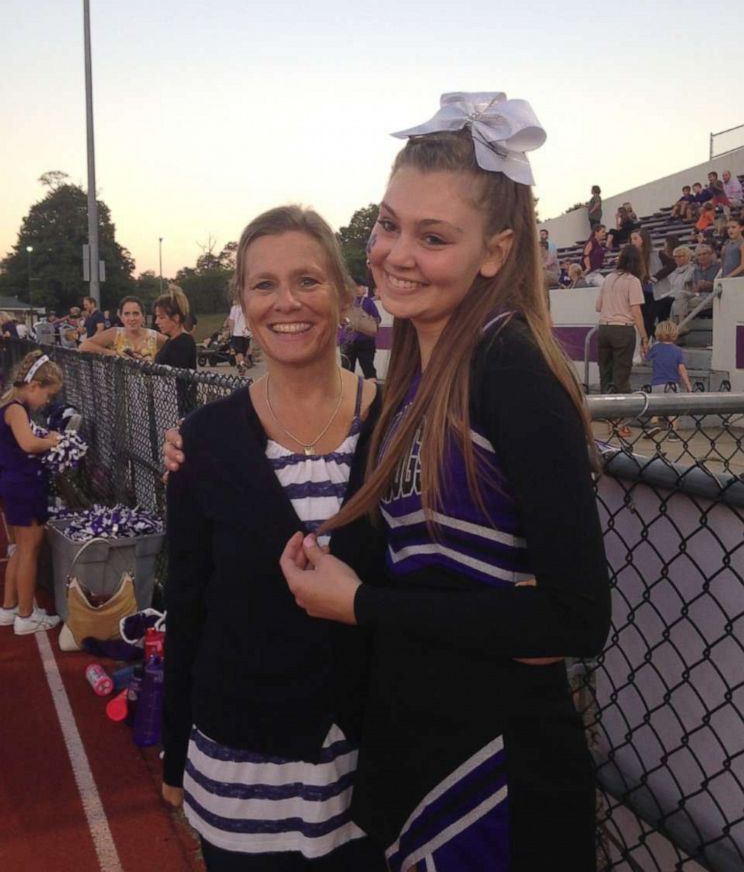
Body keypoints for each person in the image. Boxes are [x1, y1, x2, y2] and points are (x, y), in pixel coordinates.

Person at [279, 93, 611, 872]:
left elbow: (575, 618)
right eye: (389, 224)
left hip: (497, 777)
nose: (396, 253)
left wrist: (361, 605)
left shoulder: (512, 370)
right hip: (422, 738)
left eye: (433, 237)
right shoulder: (412, 373)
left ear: (495, 251)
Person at [161, 207, 385, 871]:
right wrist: (176, 752)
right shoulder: (201, 441)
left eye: (308, 281)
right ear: (242, 303)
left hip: (372, 771)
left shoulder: (404, 422)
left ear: (344, 295)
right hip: (242, 774)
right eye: (264, 285)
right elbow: (189, 605)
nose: (286, 302)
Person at [0, 351, 63, 635]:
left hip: (14, 484)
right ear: (34, 386)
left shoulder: (10, 405)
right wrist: (51, 441)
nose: (47, 402)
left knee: (18, 550)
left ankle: (9, 607)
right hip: (23, 485)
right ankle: (26, 615)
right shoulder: (16, 409)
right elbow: (27, 444)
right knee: (29, 549)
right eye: (48, 396)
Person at [595, 245, 647, 396]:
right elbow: (636, 311)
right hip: (623, 329)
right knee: (621, 374)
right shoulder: (633, 281)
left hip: (604, 328)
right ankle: (620, 412)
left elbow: (598, 306)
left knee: (605, 372)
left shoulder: (608, 278)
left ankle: (605, 408)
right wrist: (644, 337)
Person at [645, 321, 692, 438]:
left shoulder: (656, 348)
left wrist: (645, 349)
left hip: (656, 383)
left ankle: (655, 420)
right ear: (675, 334)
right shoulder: (677, 350)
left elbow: (646, 359)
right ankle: (673, 431)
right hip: (672, 384)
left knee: (656, 404)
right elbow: (681, 368)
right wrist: (688, 384)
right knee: (673, 410)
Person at [79, 296, 164, 360]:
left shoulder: (154, 336)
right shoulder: (115, 333)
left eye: (136, 313)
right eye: (127, 314)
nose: (132, 318)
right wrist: (114, 354)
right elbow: (84, 346)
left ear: (143, 316)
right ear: (121, 317)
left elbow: (174, 347)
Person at [339, 277, 381, 379]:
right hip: (349, 341)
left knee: (368, 369)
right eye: (355, 286)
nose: (358, 288)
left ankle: (373, 393)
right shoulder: (344, 302)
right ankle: (348, 393)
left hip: (364, 342)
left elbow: (377, 320)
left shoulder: (367, 302)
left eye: (360, 286)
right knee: (347, 371)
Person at [671, 244, 719, 323]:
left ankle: (678, 327)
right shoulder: (696, 269)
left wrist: (708, 284)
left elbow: (721, 285)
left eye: (704, 254)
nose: (702, 257)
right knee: (680, 296)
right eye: (699, 255)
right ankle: (678, 327)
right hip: (697, 295)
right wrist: (697, 287)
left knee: (676, 305)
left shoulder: (717, 266)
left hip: (710, 296)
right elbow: (694, 290)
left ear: (710, 255)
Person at [629, 228, 662, 339]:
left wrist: (656, 277)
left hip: (651, 292)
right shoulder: (633, 257)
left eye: (635, 238)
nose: (632, 241)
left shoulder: (654, 253)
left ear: (643, 239)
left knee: (648, 320)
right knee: (642, 320)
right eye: (631, 239)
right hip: (639, 292)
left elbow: (671, 265)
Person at [153, 285, 197, 368]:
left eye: (161, 317)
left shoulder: (182, 343)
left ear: (176, 318)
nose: (156, 322)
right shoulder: (171, 341)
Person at [654, 245, 694, 323]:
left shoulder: (692, 269)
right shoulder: (672, 271)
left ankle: (678, 325)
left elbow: (687, 284)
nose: (677, 258)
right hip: (671, 293)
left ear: (687, 256)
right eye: (675, 256)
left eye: (680, 256)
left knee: (677, 298)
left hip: (685, 293)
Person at [227, 300, 253, 375]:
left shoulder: (234, 308)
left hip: (237, 333)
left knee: (238, 351)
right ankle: (243, 362)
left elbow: (231, 321)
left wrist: (231, 331)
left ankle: (242, 364)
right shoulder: (247, 307)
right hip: (246, 333)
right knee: (244, 351)